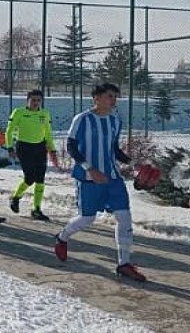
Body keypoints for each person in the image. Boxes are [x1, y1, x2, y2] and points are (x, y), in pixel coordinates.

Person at [54, 83, 146, 282]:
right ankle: (62, 237)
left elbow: (114, 148)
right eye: (109, 96)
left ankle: (124, 263)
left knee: (125, 217)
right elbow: (71, 147)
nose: (113, 101)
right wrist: (90, 169)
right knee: (87, 219)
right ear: (96, 98)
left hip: (112, 177)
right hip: (88, 178)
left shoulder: (115, 119)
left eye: (115, 97)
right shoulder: (82, 119)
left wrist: (134, 164)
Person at [5, 89, 57, 221]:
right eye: (33, 100)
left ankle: (36, 209)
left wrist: (52, 149)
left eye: (38, 100)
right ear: (27, 100)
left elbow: (48, 132)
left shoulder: (44, 113)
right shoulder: (19, 112)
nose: (36, 102)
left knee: (40, 179)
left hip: (40, 147)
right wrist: (10, 147)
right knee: (30, 177)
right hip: (24, 147)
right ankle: (16, 197)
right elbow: (9, 131)